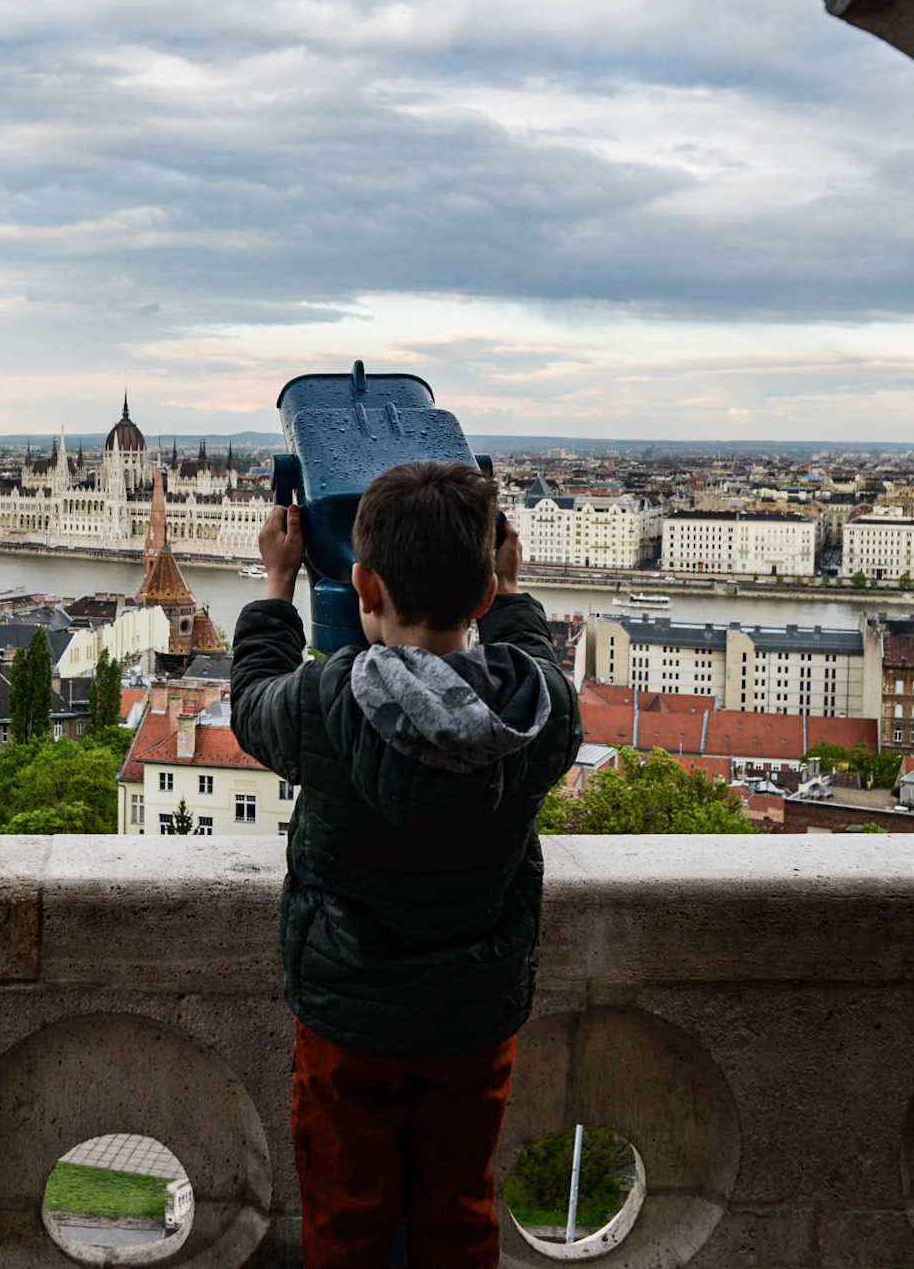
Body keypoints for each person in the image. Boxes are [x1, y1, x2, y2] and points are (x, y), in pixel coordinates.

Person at [230, 460, 581, 1268]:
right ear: (487, 592)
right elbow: (531, 659)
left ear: (363, 586)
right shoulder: (541, 714)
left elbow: (252, 702)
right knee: (459, 1210)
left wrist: (277, 586)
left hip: (349, 1021)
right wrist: (513, 589)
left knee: (346, 1219)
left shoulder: (329, 705)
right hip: (472, 1018)